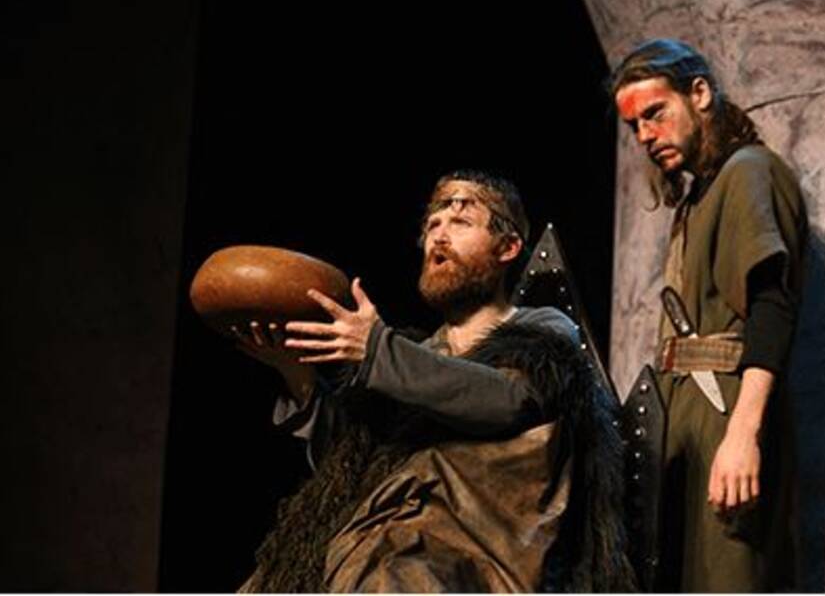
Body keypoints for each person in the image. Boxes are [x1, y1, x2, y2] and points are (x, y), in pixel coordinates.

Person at [231, 170, 633, 592]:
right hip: (386, 547)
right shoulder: (415, 356)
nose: (439, 236)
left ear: (508, 247)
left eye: (461, 222)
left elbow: (507, 401)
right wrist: (297, 374)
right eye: (433, 225)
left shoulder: (542, 330)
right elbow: (350, 471)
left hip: (482, 553)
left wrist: (378, 351)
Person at [611, 39, 808, 591]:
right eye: (634, 126)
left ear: (699, 94)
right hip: (687, 429)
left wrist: (743, 433)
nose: (645, 135)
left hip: (726, 418)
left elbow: (772, 306)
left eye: (655, 113)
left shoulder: (749, 172)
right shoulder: (701, 195)